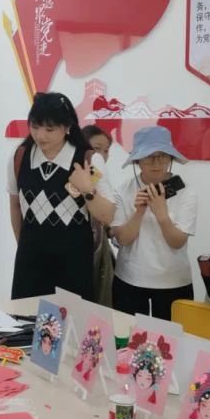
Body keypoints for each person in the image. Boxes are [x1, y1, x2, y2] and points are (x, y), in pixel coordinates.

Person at [8, 93, 115, 301]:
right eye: (35, 127)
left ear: (67, 127)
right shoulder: (19, 156)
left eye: (50, 129)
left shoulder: (88, 159)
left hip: (73, 265)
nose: (40, 135)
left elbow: (107, 215)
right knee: (26, 318)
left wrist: (87, 189)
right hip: (29, 264)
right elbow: (15, 206)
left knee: (72, 319)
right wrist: (25, 247)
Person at [110, 125, 197, 320]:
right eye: (149, 156)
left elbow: (177, 242)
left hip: (173, 280)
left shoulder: (187, 192)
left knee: (171, 338)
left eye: (163, 156)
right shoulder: (123, 190)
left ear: (170, 158)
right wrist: (139, 212)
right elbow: (123, 240)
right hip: (130, 278)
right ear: (137, 160)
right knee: (127, 335)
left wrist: (161, 215)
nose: (156, 163)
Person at [81, 123, 116, 306]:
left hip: (100, 247)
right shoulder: (77, 173)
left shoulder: (101, 178)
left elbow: (108, 216)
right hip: (82, 249)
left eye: (106, 150)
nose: (101, 155)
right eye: (96, 149)